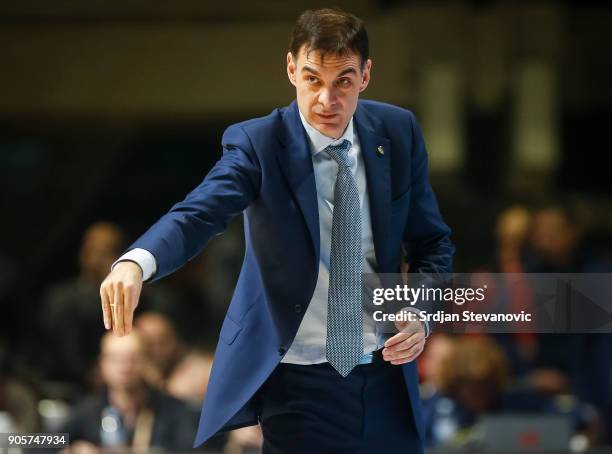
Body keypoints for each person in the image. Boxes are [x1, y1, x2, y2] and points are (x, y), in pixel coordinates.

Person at [99, 8, 454, 452]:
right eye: (312, 79)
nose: (326, 99)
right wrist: (136, 262)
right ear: (291, 70)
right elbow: (198, 214)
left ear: (366, 75)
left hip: (387, 379)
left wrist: (420, 312)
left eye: (343, 80)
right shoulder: (258, 143)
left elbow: (432, 244)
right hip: (299, 383)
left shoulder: (397, 132)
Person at [60, 331, 197, 452]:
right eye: (115, 359)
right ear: (102, 364)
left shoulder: (173, 410)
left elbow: (193, 449)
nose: (125, 367)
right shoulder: (88, 410)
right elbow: (41, 442)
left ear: (146, 362)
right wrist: (75, 449)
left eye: (132, 359)